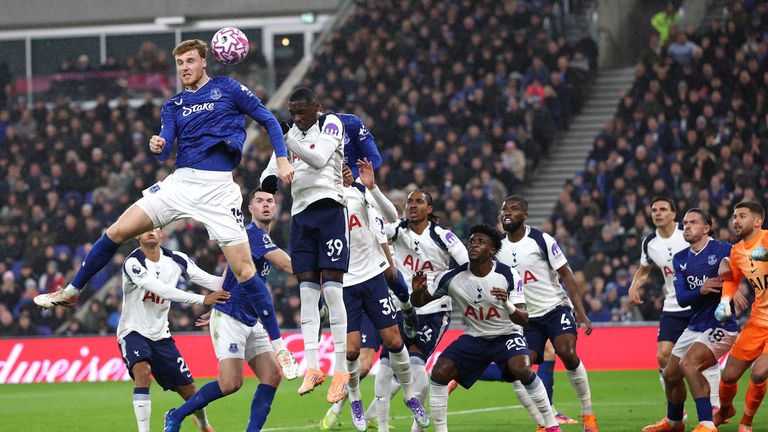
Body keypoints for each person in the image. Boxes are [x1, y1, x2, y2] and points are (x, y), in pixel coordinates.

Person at [34, 38, 296, 374]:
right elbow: (165, 145)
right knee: (116, 230)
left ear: (204, 62)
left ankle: (280, 348)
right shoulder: (173, 105)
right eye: (180, 63)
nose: (185, 68)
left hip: (218, 190)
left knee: (245, 272)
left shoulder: (227, 88)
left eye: (190, 61)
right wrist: (157, 145)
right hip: (180, 184)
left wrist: (282, 158)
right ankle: (71, 291)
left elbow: (269, 120)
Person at [164, 188, 297, 432]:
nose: (266, 205)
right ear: (250, 208)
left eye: (270, 201)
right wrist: (321, 269)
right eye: (260, 201)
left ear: (276, 208)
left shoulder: (254, 240)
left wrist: (216, 303)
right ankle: (176, 415)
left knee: (272, 376)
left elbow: (228, 272)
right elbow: (288, 264)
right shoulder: (252, 235)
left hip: (250, 317)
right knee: (230, 383)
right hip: (232, 316)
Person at [411, 224, 561, 432]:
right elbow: (419, 302)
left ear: (492, 250)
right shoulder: (451, 277)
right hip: (474, 337)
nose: (473, 245)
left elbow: (523, 319)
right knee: (439, 371)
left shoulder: (507, 275)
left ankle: (551, 424)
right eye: (471, 241)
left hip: (506, 334)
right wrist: (416, 292)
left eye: (480, 242)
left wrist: (507, 304)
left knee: (521, 368)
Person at [323, 162, 430, 431]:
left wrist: (371, 186)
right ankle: (355, 399)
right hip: (346, 282)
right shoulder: (324, 202)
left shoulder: (362, 193)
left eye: (347, 169)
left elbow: (391, 215)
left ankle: (409, 396)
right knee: (352, 350)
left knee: (394, 341)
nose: (345, 173)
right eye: (340, 170)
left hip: (372, 277)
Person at [261, 86, 350, 402]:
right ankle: (313, 367)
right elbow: (270, 176)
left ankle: (341, 370)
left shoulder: (331, 123)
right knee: (307, 295)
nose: (297, 118)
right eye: (292, 114)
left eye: (302, 112)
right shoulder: (288, 137)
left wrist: (285, 138)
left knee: (333, 290)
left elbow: (318, 158)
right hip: (301, 218)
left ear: (317, 106)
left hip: (329, 210)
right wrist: (264, 192)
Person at [367, 189, 468, 432]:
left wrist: (441, 283)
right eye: (410, 201)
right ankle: (380, 425)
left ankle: (418, 425)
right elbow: (376, 234)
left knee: (416, 361)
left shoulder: (443, 236)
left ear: (429, 209)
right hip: (401, 306)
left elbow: (466, 264)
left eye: (419, 202)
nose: (413, 205)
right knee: (387, 363)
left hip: (433, 308)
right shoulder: (397, 229)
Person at [497, 196, 598, 432]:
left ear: (525, 215)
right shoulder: (498, 248)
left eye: (514, 209)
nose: (507, 213)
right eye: (504, 210)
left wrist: (581, 312)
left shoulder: (541, 240)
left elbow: (567, 275)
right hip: (526, 320)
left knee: (567, 352)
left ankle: (588, 415)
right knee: (520, 367)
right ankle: (545, 422)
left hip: (555, 308)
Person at [116, 228, 230, 432]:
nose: (150, 231)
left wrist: (236, 275)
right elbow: (160, 289)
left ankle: (204, 425)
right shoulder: (133, 263)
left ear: (162, 233)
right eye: (144, 228)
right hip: (133, 331)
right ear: (136, 235)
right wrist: (202, 299)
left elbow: (211, 281)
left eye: (155, 227)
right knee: (143, 371)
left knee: (189, 390)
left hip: (161, 335)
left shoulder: (177, 259)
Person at [642, 208, 737, 432]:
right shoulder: (681, 259)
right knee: (670, 374)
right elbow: (683, 298)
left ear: (706, 228)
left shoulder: (723, 249)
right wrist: (702, 290)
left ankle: (706, 423)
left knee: (689, 364)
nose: (688, 226)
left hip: (721, 325)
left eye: (693, 222)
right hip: (695, 324)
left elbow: (742, 269)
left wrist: (736, 287)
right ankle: (674, 423)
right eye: (685, 223)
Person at [628, 197, 721, 411]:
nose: (658, 213)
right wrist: (634, 287)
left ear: (673, 214)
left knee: (704, 355)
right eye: (654, 210)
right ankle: (677, 407)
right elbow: (644, 270)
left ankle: (715, 405)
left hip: (698, 304)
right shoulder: (649, 242)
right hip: (672, 305)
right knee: (663, 356)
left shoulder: (688, 233)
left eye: (663, 209)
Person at [714, 201, 768, 430]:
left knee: (759, 373)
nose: (736, 220)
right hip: (758, 321)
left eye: (742, 216)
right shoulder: (737, 252)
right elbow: (731, 280)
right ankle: (726, 409)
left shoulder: (766, 239)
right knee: (728, 376)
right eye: (734, 216)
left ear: (757, 221)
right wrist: (725, 301)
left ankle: (746, 422)